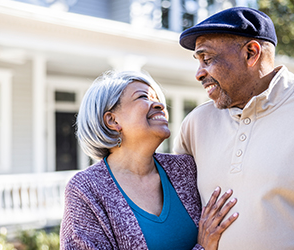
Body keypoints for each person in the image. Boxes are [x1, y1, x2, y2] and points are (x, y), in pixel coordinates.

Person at [174, 6, 294, 250]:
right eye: (198, 61)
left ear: (251, 53)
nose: (199, 74)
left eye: (207, 59)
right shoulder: (195, 124)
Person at [60, 70, 238, 250]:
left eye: (158, 98)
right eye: (143, 97)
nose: (160, 104)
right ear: (112, 120)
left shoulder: (185, 169)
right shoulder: (86, 189)